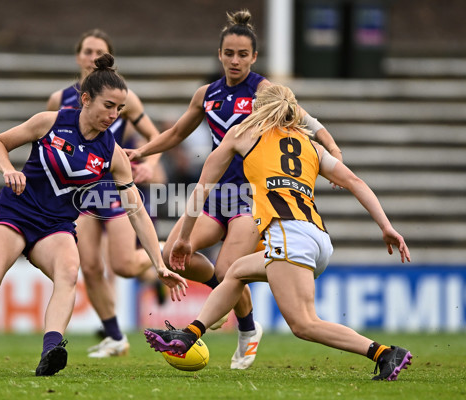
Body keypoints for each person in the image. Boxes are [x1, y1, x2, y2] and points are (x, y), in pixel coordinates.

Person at [0, 54, 188, 376]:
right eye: (108, 105)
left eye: (119, 109)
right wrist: (8, 169)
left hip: (55, 226)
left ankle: (51, 349)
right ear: (85, 99)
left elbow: (135, 210)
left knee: (69, 272)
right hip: (15, 213)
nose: (114, 115)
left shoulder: (112, 153)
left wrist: (159, 264)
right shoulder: (50, 121)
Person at [144, 83, 413, 381]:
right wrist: (386, 227)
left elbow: (202, 189)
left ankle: (385, 353)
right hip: (317, 237)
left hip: (287, 236)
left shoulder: (244, 135)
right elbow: (356, 182)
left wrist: (184, 237)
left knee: (304, 325)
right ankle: (189, 334)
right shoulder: (310, 145)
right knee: (235, 272)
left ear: (259, 108)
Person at [127, 9, 343, 370]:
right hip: (218, 196)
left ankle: (244, 329)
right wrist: (142, 151)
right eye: (229, 53)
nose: (235, 60)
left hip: (253, 199)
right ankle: (244, 319)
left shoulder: (264, 90)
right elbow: (177, 134)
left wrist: (332, 149)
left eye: (243, 54)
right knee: (170, 256)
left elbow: (306, 119)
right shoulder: (206, 95)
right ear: (219, 54)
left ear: (254, 57)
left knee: (229, 270)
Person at [47, 29, 165, 358]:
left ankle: (167, 252)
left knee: (125, 265)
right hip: (78, 195)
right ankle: (115, 336)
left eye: (99, 51)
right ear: (78, 56)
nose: (91, 57)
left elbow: (155, 136)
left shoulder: (123, 98)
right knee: (90, 267)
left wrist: (147, 162)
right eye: (87, 50)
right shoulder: (60, 100)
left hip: (112, 187)